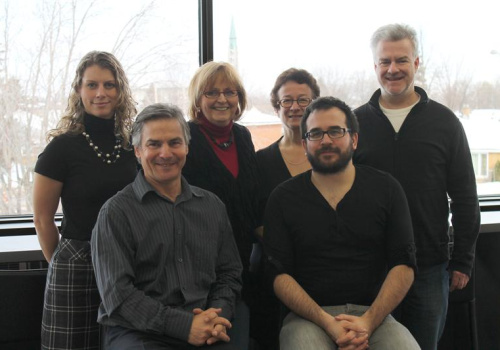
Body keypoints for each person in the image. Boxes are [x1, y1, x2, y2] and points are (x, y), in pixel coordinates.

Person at [353, 23, 480, 350]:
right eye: (385, 62)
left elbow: (465, 198)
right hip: (371, 269)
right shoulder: (354, 124)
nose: (393, 69)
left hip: (429, 267)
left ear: (416, 63)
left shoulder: (445, 123)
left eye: (401, 60)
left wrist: (463, 260)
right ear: (375, 67)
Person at [264, 96, 420, 350]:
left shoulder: (387, 189)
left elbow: (404, 264)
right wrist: (327, 322)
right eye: (315, 134)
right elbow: (278, 274)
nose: (326, 140)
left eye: (336, 131)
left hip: (375, 317)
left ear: (354, 139)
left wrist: (368, 322)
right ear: (304, 144)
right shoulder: (283, 198)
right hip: (309, 318)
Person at [91, 103, 243, 350]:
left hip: (207, 325)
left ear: (186, 148)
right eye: (154, 144)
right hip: (139, 333)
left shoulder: (212, 206)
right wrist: (185, 327)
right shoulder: (115, 213)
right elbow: (118, 296)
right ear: (138, 151)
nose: (166, 153)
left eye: (174, 143)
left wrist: (218, 316)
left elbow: (229, 273)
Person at [33, 51, 138, 350]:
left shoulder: (132, 144)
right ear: (79, 91)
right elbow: (42, 219)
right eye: (91, 85)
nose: (100, 93)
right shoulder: (61, 148)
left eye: (109, 85)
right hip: (75, 264)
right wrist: (62, 265)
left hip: (126, 262)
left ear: (120, 91)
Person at [183, 61, 261, 347]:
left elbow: (250, 201)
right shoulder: (185, 139)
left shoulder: (242, 136)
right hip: (196, 269)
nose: (221, 99)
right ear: (197, 99)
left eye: (229, 92)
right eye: (211, 92)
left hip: (239, 263)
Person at [255, 68, 320, 349]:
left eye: (303, 100)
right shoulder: (259, 162)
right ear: (277, 107)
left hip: (324, 273)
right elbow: (256, 219)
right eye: (287, 101)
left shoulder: (330, 156)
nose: (295, 107)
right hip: (275, 273)